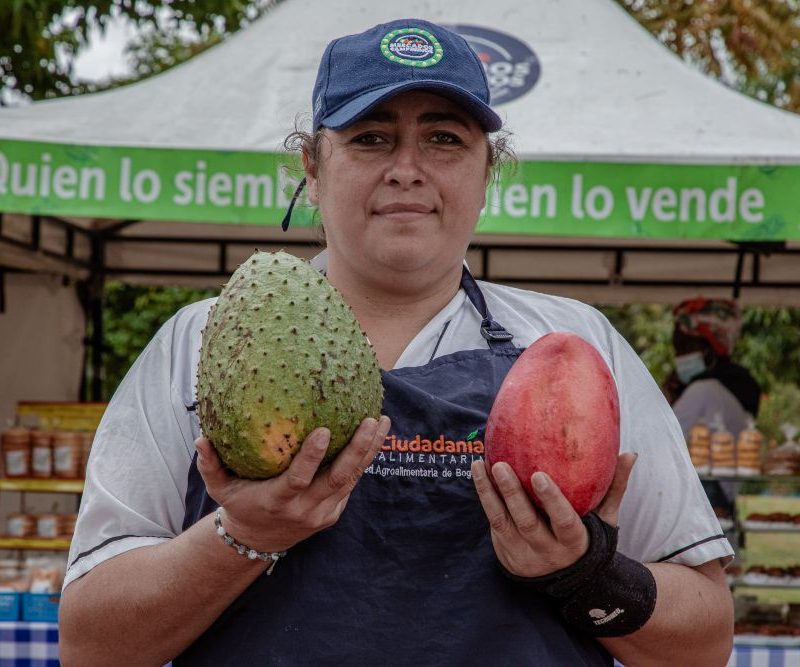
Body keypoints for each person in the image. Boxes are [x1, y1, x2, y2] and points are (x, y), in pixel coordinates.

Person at [59, 19, 734, 666]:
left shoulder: (573, 347)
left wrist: (588, 573)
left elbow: (704, 641)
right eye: (371, 138)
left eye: (444, 139)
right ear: (313, 168)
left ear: (486, 172)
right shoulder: (201, 342)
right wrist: (245, 536)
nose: (407, 168)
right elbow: (92, 644)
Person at [664, 296, 761, 440]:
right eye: (678, 350)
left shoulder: (704, 389)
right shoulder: (682, 386)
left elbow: (663, 440)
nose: (679, 357)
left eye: (686, 347)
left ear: (710, 352)